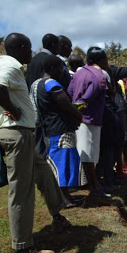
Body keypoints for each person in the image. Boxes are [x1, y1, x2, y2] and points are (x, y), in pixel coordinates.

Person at [0, 32, 54, 253]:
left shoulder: (2, 65)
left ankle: (58, 214)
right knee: (22, 191)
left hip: (21, 132)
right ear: (19, 47)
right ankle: (22, 251)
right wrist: (12, 109)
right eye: (29, 48)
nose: (31, 53)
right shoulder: (9, 64)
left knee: (43, 170)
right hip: (17, 133)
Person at [33, 55, 82, 206]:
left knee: (61, 161)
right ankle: (64, 199)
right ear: (53, 69)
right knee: (63, 162)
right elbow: (63, 102)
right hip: (59, 128)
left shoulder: (37, 83)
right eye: (61, 69)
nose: (63, 72)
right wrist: (78, 114)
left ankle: (66, 196)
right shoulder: (52, 84)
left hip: (50, 128)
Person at [68, 47, 109, 197]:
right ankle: (94, 187)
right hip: (90, 117)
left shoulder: (78, 73)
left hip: (77, 117)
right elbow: (88, 96)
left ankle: (88, 184)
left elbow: (70, 92)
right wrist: (82, 103)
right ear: (101, 60)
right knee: (89, 154)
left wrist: (73, 109)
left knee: (82, 151)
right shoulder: (99, 76)